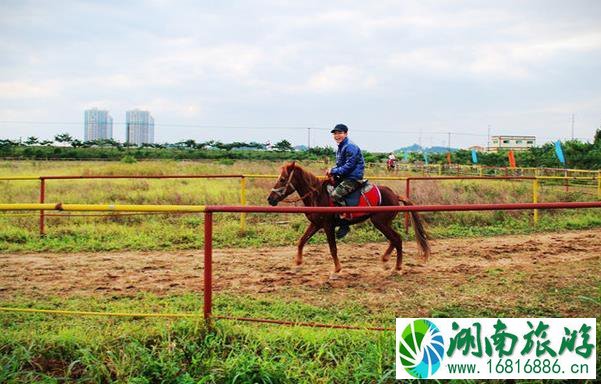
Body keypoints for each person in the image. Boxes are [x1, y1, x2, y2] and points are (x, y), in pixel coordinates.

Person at [326, 123, 365, 239]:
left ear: (346, 133)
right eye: (335, 133)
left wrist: (333, 171)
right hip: (345, 176)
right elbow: (340, 165)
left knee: (334, 195)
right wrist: (333, 170)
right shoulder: (341, 146)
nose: (337, 135)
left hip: (353, 177)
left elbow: (349, 166)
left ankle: (345, 223)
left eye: (340, 133)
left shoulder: (350, 146)